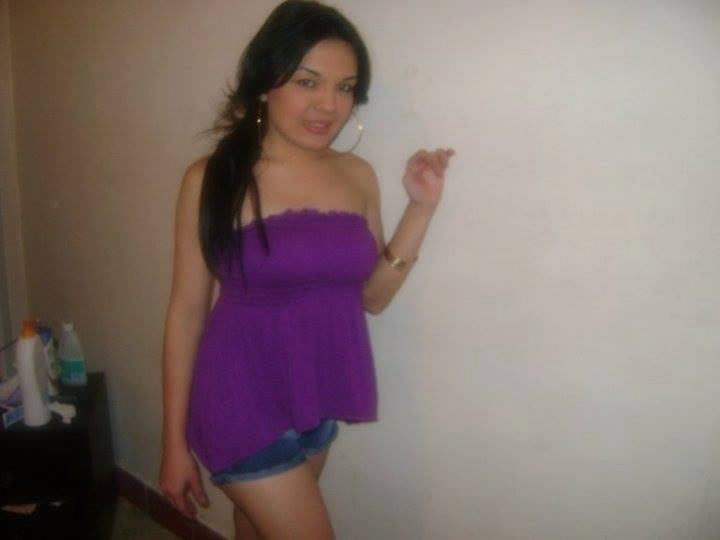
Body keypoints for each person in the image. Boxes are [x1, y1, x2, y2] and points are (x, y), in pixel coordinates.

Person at [159, 1, 454, 538]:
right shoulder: (213, 178)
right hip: (236, 397)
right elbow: (186, 313)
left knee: (254, 527)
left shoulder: (358, 175)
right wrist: (173, 442)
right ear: (264, 84)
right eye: (307, 81)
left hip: (317, 394)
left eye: (345, 87)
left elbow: (372, 297)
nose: (328, 105)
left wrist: (421, 207)